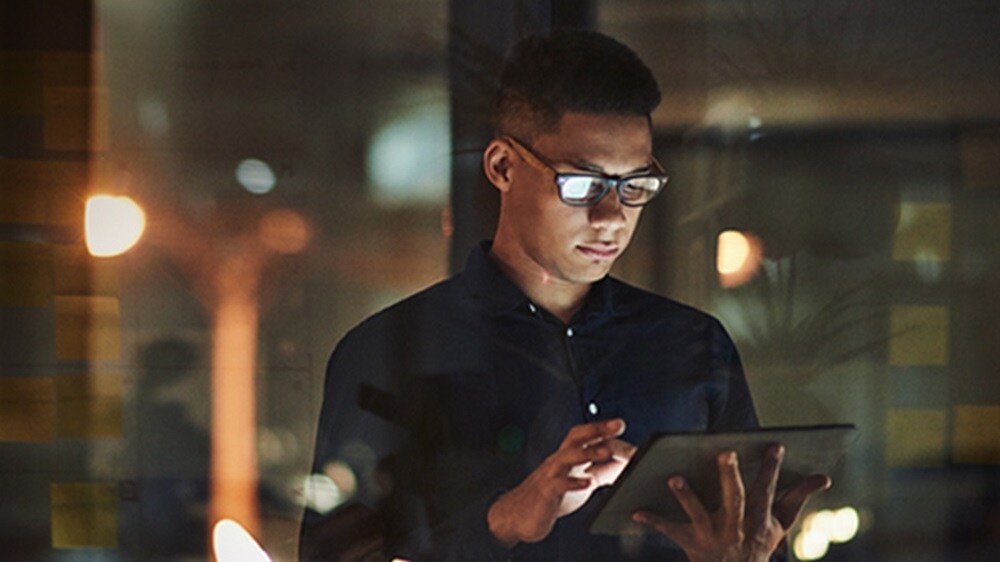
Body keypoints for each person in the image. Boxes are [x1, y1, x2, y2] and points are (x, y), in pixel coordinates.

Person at [300, 29, 830, 562]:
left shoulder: (691, 344)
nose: (611, 218)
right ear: (502, 167)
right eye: (582, 184)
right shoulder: (391, 350)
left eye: (634, 186)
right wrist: (506, 518)